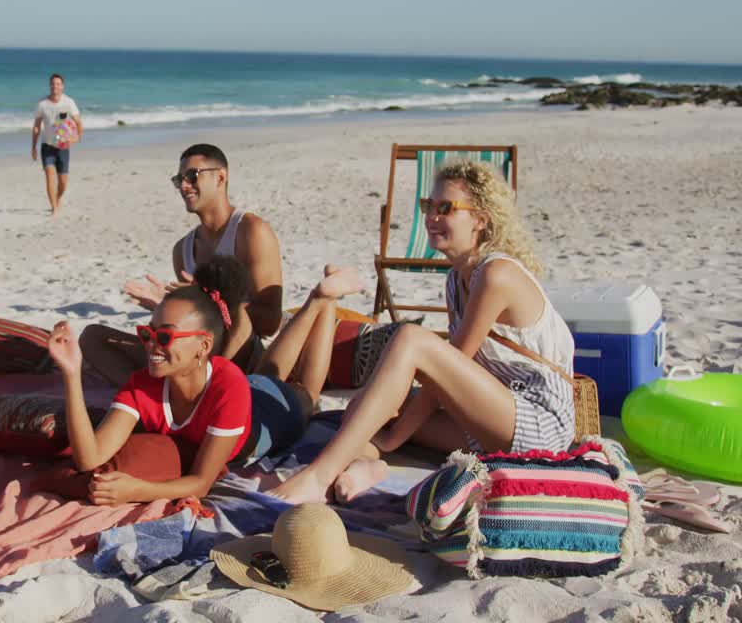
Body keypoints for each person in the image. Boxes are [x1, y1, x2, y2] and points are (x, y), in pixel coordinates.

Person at [269, 160, 576, 504]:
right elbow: (443, 382)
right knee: (363, 410)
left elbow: (448, 369)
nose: (431, 217)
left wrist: (396, 437)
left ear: (480, 219)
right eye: (428, 206)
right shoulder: (455, 280)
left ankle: (318, 476)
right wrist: (389, 425)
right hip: (489, 416)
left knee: (410, 343)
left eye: (445, 208)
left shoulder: (496, 275)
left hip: (537, 423)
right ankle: (365, 467)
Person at [46, 256, 309, 505]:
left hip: (269, 419)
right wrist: (71, 373)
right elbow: (89, 459)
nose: (150, 345)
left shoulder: (228, 384)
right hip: (243, 389)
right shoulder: (142, 384)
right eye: (147, 333)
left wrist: (136, 490)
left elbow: (202, 483)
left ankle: (319, 302)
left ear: (203, 345)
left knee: (305, 394)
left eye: (164, 338)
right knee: (266, 375)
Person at [80, 143, 283, 385]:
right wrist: (163, 306)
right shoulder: (183, 249)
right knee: (92, 337)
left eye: (191, 176)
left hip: (240, 355)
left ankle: (200, 391)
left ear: (220, 177)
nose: (184, 186)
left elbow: (270, 322)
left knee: (237, 319)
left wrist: (211, 299)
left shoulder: (251, 231)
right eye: (179, 179)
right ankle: (147, 397)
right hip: (194, 353)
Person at [30, 73, 82, 216]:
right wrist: (33, 146)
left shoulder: (69, 102)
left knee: (63, 183)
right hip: (47, 146)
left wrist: (77, 138)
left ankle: (57, 199)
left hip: (63, 147)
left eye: (58, 84)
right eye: (53, 84)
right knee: (49, 173)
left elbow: (78, 122)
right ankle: (54, 208)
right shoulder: (42, 104)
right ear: (50, 85)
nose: (55, 86)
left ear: (62, 86)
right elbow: (36, 126)